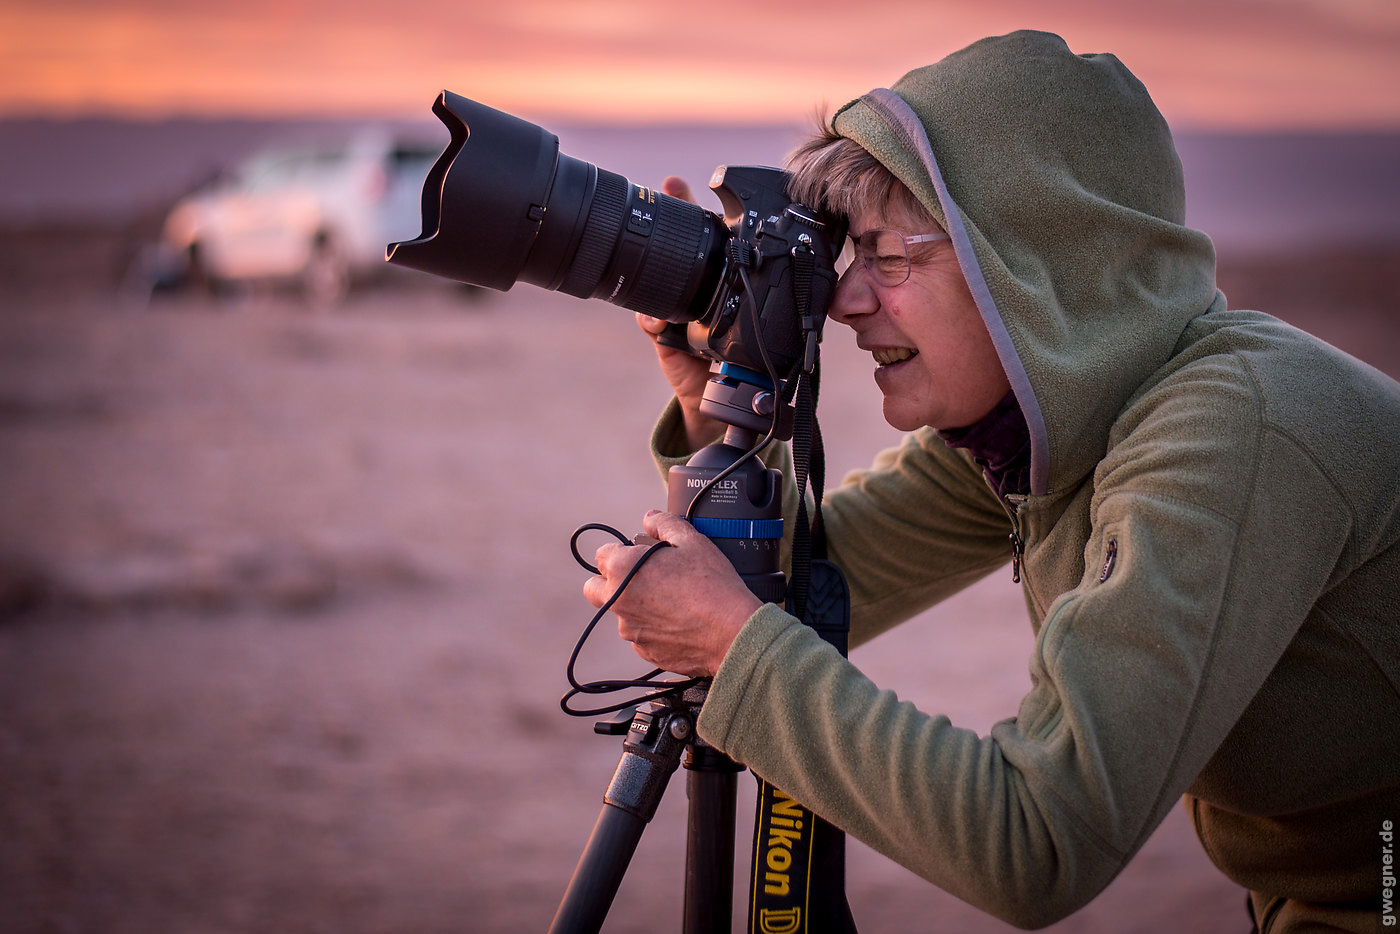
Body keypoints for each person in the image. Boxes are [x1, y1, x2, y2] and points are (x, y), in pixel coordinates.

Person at [582, 30, 1400, 932]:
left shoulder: (1231, 429)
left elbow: (1039, 841)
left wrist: (740, 656)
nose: (848, 300)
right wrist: (717, 400)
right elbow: (806, 580)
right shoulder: (1037, 430)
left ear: (1029, 269)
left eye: (888, 259)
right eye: (848, 258)